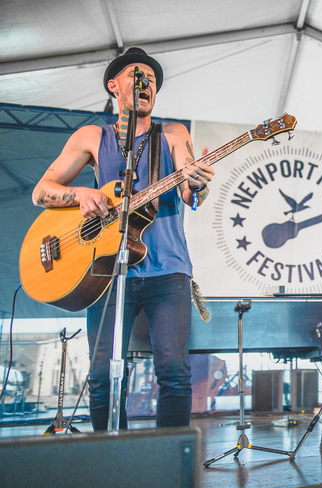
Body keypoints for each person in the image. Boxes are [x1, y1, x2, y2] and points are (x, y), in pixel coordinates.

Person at [31, 48, 214, 431]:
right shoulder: (92, 136)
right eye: (136, 74)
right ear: (114, 85)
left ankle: (169, 466)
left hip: (168, 271)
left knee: (174, 372)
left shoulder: (174, 133)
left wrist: (195, 184)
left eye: (151, 78)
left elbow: (187, 191)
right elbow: (41, 191)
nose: (145, 82)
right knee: (101, 377)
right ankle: (112, 464)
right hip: (106, 271)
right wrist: (81, 194)